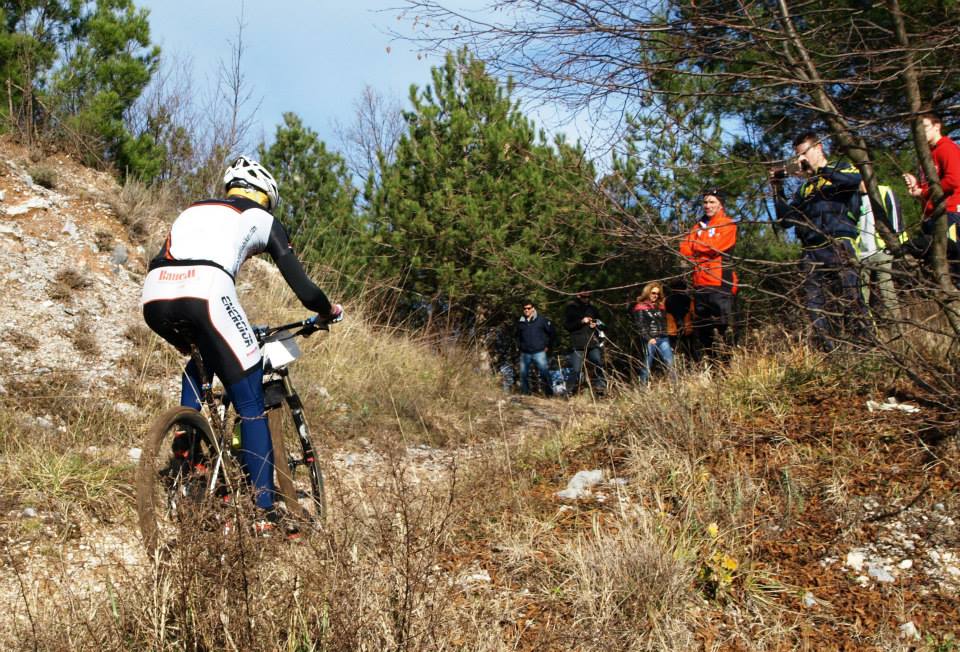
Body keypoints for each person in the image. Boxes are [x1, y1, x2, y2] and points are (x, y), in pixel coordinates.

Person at [140, 156, 343, 534]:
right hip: (206, 291)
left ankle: (189, 432)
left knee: (202, 354)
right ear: (265, 195)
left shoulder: (194, 210)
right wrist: (326, 310)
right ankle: (263, 513)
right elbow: (303, 288)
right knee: (250, 399)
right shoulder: (263, 219)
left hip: (155, 294)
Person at [770, 132, 868, 351]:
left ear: (819, 148)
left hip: (838, 243)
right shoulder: (804, 188)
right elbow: (786, 220)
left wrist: (820, 170)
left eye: (803, 153)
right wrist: (776, 189)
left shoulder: (839, 167)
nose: (800, 160)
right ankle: (829, 351)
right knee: (815, 306)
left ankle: (866, 348)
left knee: (851, 298)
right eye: (797, 156)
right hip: (811, 252)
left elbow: (855, 180)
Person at [902, 112, 960, 287]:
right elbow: (930, 187)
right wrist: (917, 186)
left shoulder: (946, 148)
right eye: (917, 130)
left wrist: (923, 192)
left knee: (953, 267)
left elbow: (954, 179)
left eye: (925, 127)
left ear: (937, 127)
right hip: (932, 216)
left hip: (949, 214)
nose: (921, 133)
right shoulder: (927, 154)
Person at [679, 189, 739, 354]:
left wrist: (698, 247)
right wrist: (702, 248)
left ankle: (730, 362)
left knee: (725, 326)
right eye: (705, 202)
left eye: (712, 202)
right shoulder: (697, 226)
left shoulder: (728, 224)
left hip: (720, 281)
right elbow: (684, 248)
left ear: (721, 204)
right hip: (700, 283)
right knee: (703, 328)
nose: (707, 205)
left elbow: (715, 248)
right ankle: (711, 363)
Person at [855, 181, 903, 323]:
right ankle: (868, 329)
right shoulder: (853, 198)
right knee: (861, 296)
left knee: (887, 291)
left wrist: (893, 243)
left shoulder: (883, 191)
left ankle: (897, 327)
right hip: (862, 254)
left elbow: (895, 215)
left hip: (882, 250)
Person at [563, 287, 607, 395]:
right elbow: (567, 326)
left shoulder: (593, 309)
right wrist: (581, 321)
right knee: (576, 369)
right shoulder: (571, 309)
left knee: (598, 364)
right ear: (578, 295)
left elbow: (603, 324)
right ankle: (568, 391)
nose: (586, 299)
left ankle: (600, 389)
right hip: (578, 344)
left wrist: (596, 324)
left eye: (588, 297)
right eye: (584, 297)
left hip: (592, 342)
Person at [632, 282, 675, 385]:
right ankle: (642, 388)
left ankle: (676, 387)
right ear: (647, 293)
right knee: (647, 365)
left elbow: (664, 322)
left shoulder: (660, 307)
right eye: (653, 293)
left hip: (663, 338)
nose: (655, 295)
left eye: (658, 294)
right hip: (649, 339)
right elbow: (640, 325)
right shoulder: (640, 307)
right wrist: (648, 338)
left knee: (670, 363)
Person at [515, 300, 557, 396]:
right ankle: (526, 395)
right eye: (525, 308)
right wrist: (520, 347)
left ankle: (549, 394)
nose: (526, 310)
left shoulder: (541, 320)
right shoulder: (520, 322)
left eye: (528, 308)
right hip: (525, 353)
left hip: (539, 352)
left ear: (533, 309)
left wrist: (548, 346)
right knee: (523, 374)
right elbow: (517, 336)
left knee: (544, 373)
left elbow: (552, 333)